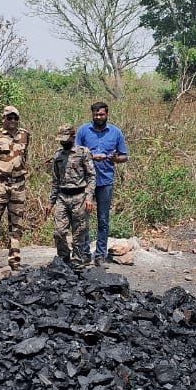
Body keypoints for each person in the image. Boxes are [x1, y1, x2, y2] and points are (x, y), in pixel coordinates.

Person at [75, 101, 129, 267]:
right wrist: (91, 156)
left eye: (101, 114)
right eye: (96, 114)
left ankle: (100, 255)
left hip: (105, 181)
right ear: (92, 114)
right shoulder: (83, 131)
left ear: (107, 114)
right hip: (84, 182)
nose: (98, 117)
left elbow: (124, 156)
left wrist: (115, 158)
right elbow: (74, 154)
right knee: (83, 218)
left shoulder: (116, 132)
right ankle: (85, 254)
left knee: (103, 220)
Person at [0, 106, 31, 269]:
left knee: (16, 224)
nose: (13, 121)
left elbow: (24, 157)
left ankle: (14, 260)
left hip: (18, 184)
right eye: (9, 118)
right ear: (3, 119)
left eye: (15, 118)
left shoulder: (25, 135)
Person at [50, 124, 96, 271]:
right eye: (61, 139)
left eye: (65, 138)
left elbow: (91, 176)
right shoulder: (58, 155)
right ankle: (63, 260)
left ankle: (78, 263)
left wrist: (89, 197)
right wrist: (51, 202)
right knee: (59, 232)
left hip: (80, 196)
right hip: (62, 196)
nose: (63, 142)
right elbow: (55, 180)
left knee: (79, 233)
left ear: (73, 137)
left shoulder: (83, 152)